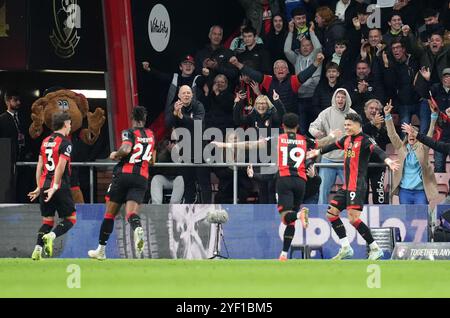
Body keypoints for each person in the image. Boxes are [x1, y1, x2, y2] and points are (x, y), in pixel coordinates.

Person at [213, 112, 338, 260]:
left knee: (286, 217)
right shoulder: (304, 139)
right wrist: (331, 136)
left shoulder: (278, 139)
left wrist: (226, 144)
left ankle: (299, 215)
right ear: (297, 126)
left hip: (284, 180)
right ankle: (284, 253)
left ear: (283, 126)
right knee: (291, 221)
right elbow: (321, 143)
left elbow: (251, 145)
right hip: (301, 181)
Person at [307, 113, 399, 260]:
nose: (346, 127)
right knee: (331, 214)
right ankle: (345, 247)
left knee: (353, 219)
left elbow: (378, 151)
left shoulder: (366, 140)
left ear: (358, 124)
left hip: (357, 185)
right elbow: (331, 146)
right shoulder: (346, 139)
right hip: (346, 186)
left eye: (349, 125)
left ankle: (375, 248)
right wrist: (317, 151)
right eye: (345, 125)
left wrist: (388, 161)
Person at [88, 106, 155, 260]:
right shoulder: (151, 134)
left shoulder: (129, 132)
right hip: (141, 177)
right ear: (145, 119)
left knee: (110, 214)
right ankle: (137, 228)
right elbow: (152, 160)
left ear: (132, 118)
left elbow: (125, 149)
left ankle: (101, 250)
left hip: (124, 174)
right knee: (131, 213)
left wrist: (115, 155)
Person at [28, 112, 77, 260]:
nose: (70, 127)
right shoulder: (66, 143)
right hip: (59, 186)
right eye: (69, 124)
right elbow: (61, 166)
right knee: (71, 219)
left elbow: (40, 166)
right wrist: (55, 185)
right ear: (64, 124)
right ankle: (51, 236)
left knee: (48, 222)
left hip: (44, 185)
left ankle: (37, 250)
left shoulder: (44, 141)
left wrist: (38, 187)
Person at [384, 100, 438, 204]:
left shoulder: (424, 147)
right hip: (405, 191)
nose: (411, 136)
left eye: (413, 133)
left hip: (421, 192)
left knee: (421, 218)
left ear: (417, 136)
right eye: (409, 134)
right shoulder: (400, 147)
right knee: (406, 219)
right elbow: (392, 134)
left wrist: (434, 116)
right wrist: (387, 116)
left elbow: (430, 134)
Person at [309, 88, 356, 205]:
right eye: (338, 97)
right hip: (328, 159)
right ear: (334, 98)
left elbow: (359, 134)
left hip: (346, 159)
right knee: (322, 190)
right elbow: (312, 127)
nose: (340, 99)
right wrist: (317, 133)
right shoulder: (326, 112)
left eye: (343, 97)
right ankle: (321, 215)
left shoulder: (353, 114)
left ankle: (351, 214)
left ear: (347, 99)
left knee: (351, 190)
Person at [362, 99, 391, 204]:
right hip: (363, 164)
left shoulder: (383, 124)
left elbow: (387, 141)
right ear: (365, 110)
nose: (374, 110)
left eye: (377, 109)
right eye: (371, 108)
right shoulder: (360, 121)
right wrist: (372, 124)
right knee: (362, 194)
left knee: (379, 193)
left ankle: (380, 219)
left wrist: (380, 129)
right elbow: (360, 134)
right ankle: (361, 218)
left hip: (378, 165)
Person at [0, 90, 25, 162]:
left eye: (19, 100)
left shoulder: (23, 118)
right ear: (7, 101)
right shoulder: (1, 119)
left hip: (22, 156)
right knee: (5, 173)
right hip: (5, 156)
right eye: (15, 100)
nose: (19, 102)